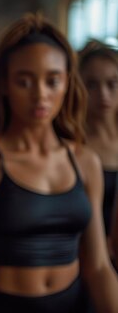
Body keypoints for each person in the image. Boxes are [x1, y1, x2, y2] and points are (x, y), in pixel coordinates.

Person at [0, 14, 118, 313]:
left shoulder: (84, 161)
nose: (40, 94)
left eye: (52, 80)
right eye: (24, 81)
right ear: (4, 85)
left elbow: (98, 267)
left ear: (68, 81)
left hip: (75, 305)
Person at [79, 40, 118, 256]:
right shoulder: (75, 146)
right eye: (92, 85)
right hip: (89, 254)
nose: (103, 94)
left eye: (112, 83)